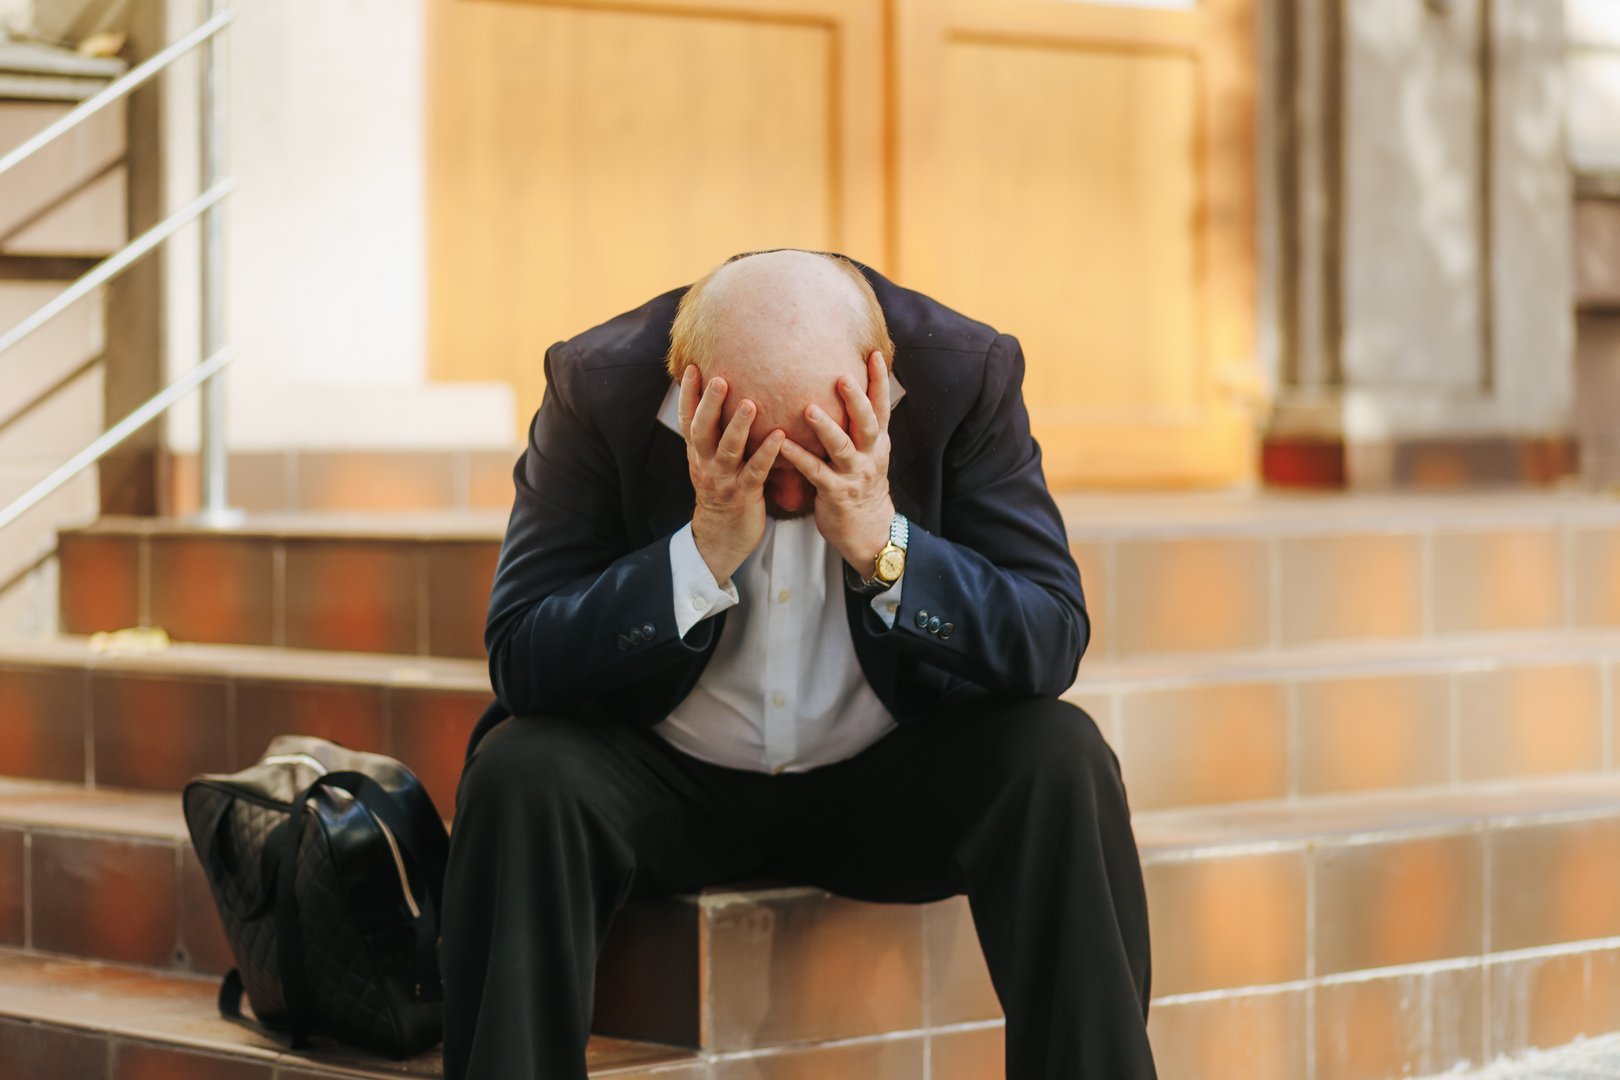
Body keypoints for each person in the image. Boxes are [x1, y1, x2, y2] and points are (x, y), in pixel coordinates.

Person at [440, 249, 1156, 1079]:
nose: (789, 496)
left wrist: (885, 545)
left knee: (1060, 757)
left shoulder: (966, 375)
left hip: (885, 775)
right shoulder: (597, 384)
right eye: (759, 455)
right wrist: (699, 550)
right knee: (518, 775)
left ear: (873, 381)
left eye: (816, 450)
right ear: (688, 388)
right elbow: (523, 655)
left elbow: (1051, 635)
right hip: (668, 779)